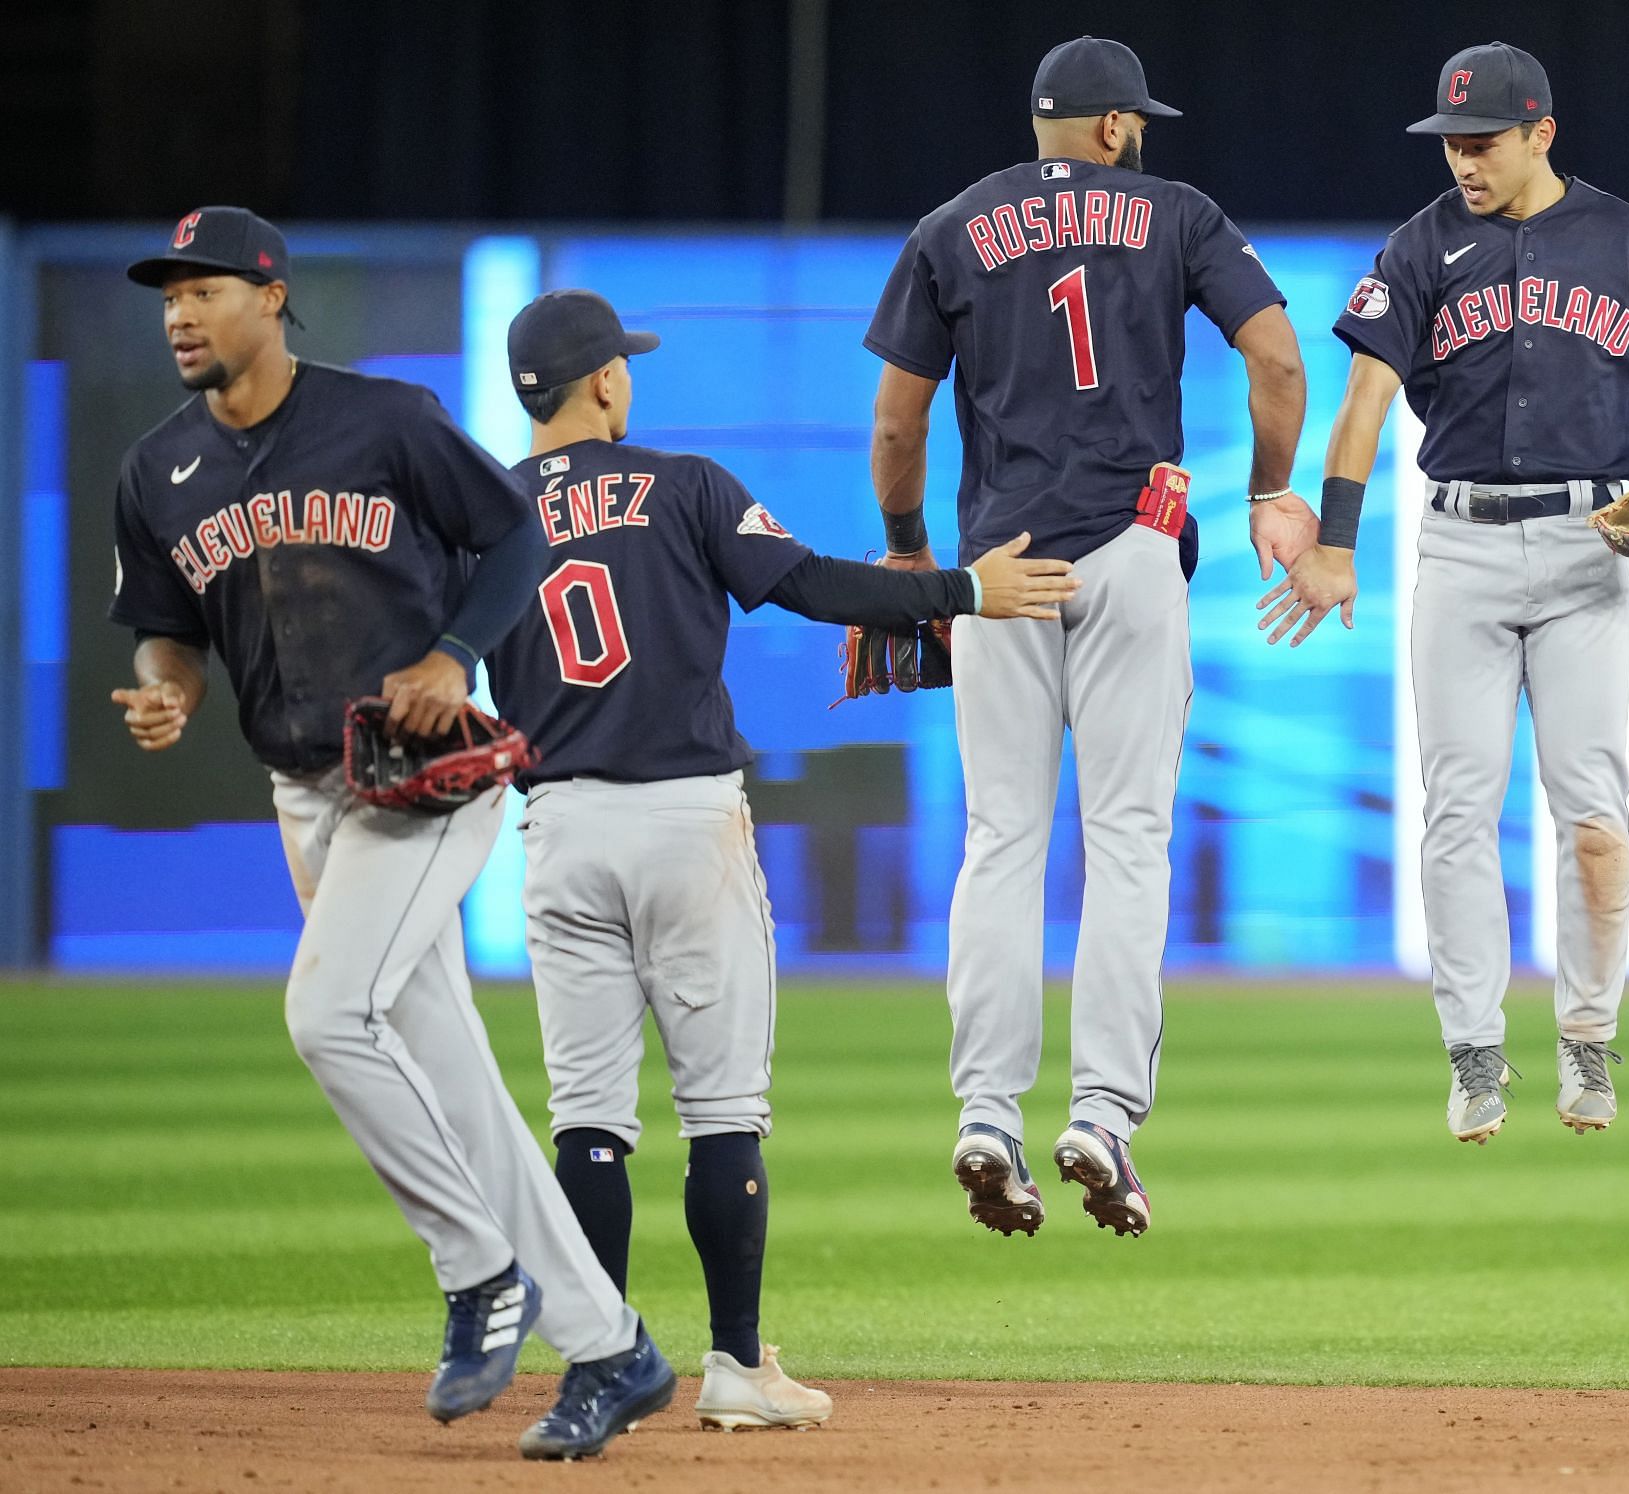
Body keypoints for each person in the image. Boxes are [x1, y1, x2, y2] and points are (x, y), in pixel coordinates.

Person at [107, 208, 676, 1462]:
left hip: (424, 781)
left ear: (271, 296)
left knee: (325, 1014)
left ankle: (480, 1271)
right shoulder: (158, 470)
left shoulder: (388, 422)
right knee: (456, 1081)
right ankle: (613, 1350)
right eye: (166, 297)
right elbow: (165, 622)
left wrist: (452, 651)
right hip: (304, 790)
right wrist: (173, 684)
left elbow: (517, 532)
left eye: (203, 290)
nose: (180, 315)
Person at [483, 290, 1077, 1422]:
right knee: (722, 1112)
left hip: (557, 832)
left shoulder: (486, 517)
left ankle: (600, 1371)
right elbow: (804, 584)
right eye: (624, 366)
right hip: (686, 824)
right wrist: (963, 592)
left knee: (589, 1122)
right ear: (604, 381)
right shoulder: (680, 483)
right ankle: (738, 1368)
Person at [862, 37, 1310, 1237]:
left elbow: (899, 422)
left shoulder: (952, 226)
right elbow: (1273, 353)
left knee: (1001, 839)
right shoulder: (1176, 213)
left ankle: (983, 1115)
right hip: (1130, 546)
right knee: (1126, 841)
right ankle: (1102, 1114)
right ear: (1113, 128)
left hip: (1000, 568)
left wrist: (911, 550)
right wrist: (1272, 487)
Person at [1286, 42, 1629, 1142]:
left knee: (1592, 814)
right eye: (1449, 142)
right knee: (1459, 811)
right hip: (1463, 549)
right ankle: (1476, 1055)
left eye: (1481, 141)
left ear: (1541, 132)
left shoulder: (1622, 235)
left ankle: (1588, 1038)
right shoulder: (1422, 244)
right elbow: (1361, 400)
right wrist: (1337, 539)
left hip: (1592, 548)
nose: (1462, 162)